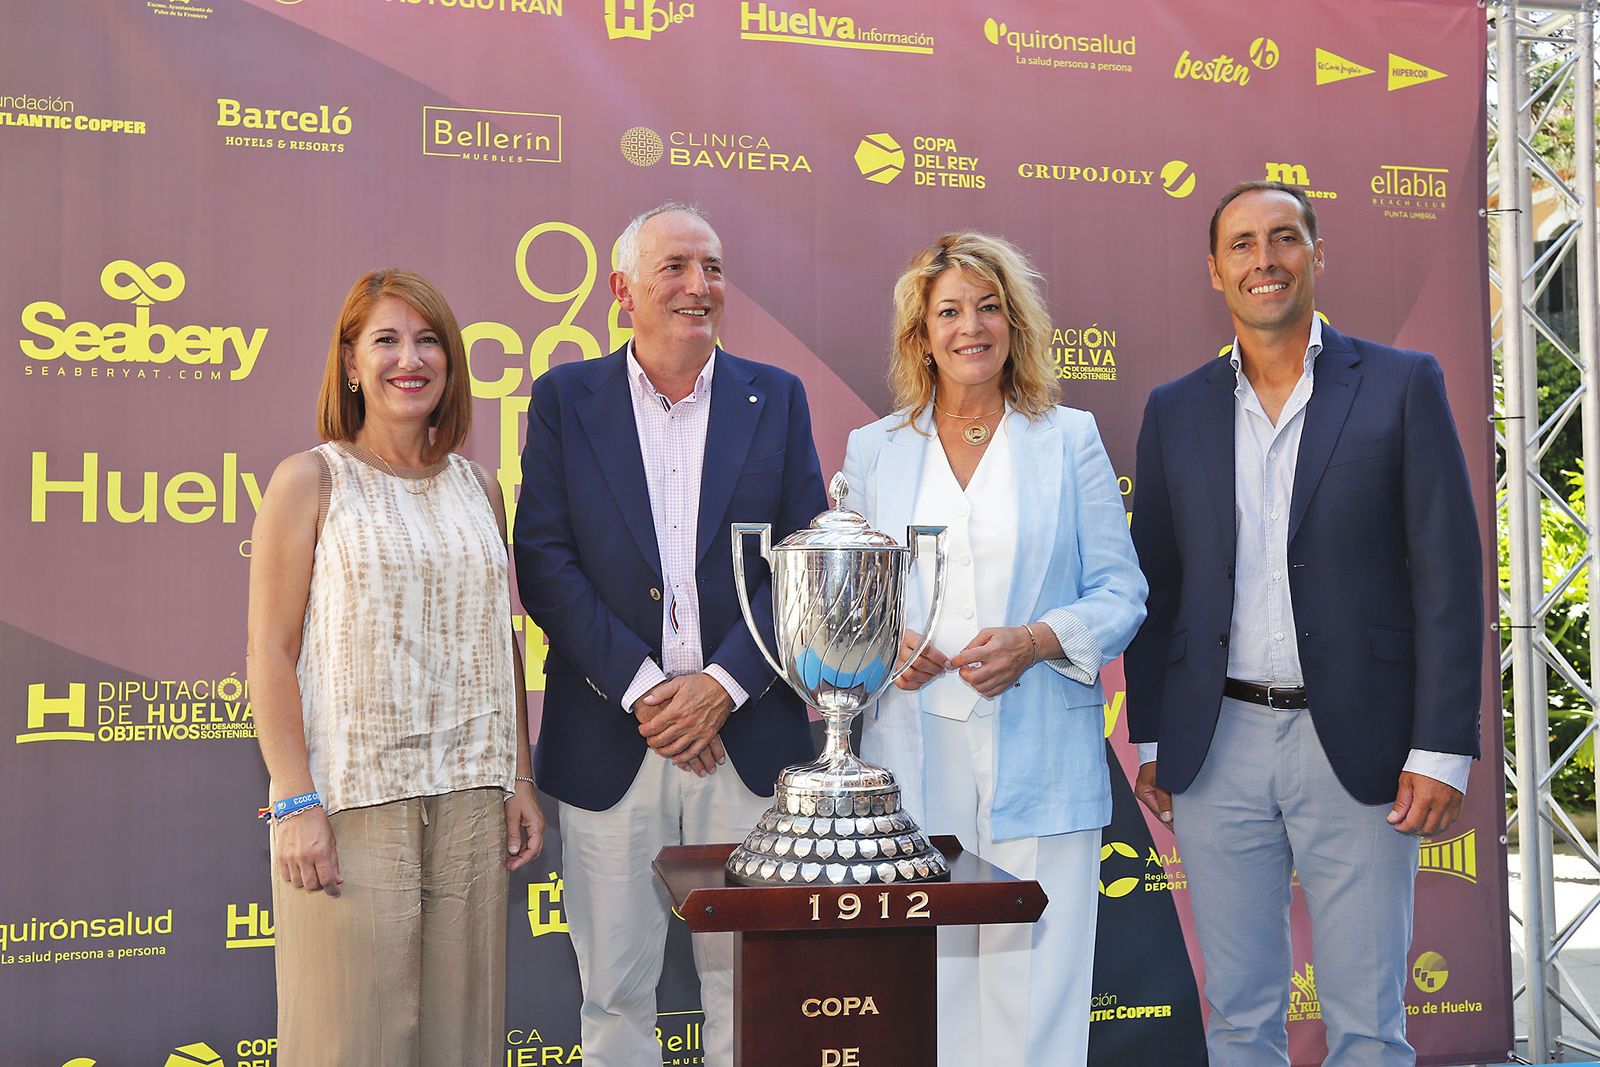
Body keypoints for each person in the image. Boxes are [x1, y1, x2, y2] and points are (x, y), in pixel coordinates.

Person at [1126, 181, 1483, 1066]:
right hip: (1218, 745)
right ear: (1215, 270)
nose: (1264, 260)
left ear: (1318, 253)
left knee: (1369, 1016)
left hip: (1359, 741)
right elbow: (1155, 587)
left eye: (1284, 238)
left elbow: (1449, 574)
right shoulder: (1176, 409)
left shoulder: (1402, 383)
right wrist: (1154, 740)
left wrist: (1441, 746)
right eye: (1242, 244)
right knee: (1240, 1014)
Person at [513, 202, 826, 1067]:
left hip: (748, 737)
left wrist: (720, 687)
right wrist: (650, 689)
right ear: (623, 292)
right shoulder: (565, 399)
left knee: (753, 982)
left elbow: (802, 562)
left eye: (714, 268)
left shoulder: (779, 396)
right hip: (614, 736)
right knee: (614, 989)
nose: (701, 287)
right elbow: (543, 558)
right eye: (676, 268)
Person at [840, 231, 1148, 1066]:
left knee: (1039, 977)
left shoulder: (1068, 437)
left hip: (1041, 735)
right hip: (915, 740)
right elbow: (849, 597)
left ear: (1015, 323)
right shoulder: (876, 449)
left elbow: (1122, 591)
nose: (969, 326)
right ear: (921, 334)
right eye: (949, 311)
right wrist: (882, 641)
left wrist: (1038, 640)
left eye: (988, 307)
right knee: (927, 976)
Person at [246, 268, 545, 1066]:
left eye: (427, 341)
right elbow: (270, 651)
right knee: (349, 1041)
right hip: (349, 804)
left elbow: (499, 637)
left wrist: (519, 776)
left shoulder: (480, 488)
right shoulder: (310, 480)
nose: (408, 358)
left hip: (472, 805)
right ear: (350, 363)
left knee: (465, 1042)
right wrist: (293, 796)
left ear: (450, 363)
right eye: (385, 340)